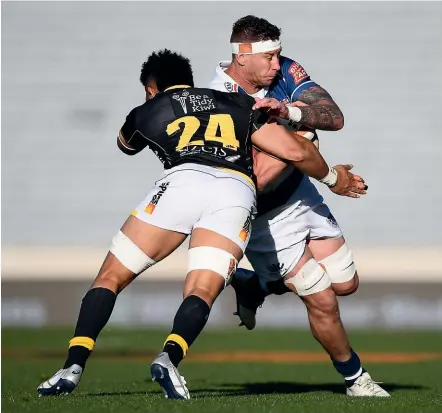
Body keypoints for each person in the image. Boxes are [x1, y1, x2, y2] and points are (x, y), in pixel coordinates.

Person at [37, 49, 362, 399]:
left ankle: (71, 367)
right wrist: (334, 178)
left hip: (180, 182)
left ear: (151, 87)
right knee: (201, 290)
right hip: (234, 190)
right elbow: (297, 151)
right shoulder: (235, 103)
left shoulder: (148, 108)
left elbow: (126, 144)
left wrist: (153, 110)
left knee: (110, 278)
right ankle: (169, 359)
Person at [209, 15, 390, 397]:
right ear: (242, 57)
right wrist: (303, 150)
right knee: (321, 297)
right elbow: (252, 181)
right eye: (269, 57)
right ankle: (357, 380)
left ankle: (254, 284)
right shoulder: (221, 103)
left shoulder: (283, 71)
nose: (278, 64)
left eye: (278, 55)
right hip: (265, 219)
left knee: (346, 284)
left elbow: (334, 117)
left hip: (301, 194)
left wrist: (291, 114)